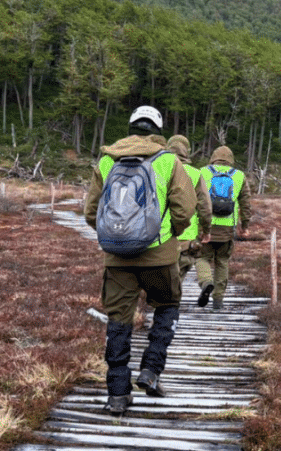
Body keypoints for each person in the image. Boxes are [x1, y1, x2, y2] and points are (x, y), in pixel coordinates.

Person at [83, 105, 196, 414]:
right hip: (160, 257)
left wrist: (115, 237)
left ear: (130, 126)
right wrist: (168, 235)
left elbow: (91, 212)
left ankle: (118, 395)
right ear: (157, 129)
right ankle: (151, 369)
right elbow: (186, 209)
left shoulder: (107, 161)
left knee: (118, 323)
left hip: (117, 260)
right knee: (168, 306)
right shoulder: (168, 161)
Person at [195, 145, 253, 311]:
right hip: (227, 230)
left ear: (213, 157)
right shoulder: (239, 176)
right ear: (231, 159)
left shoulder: (202, 172)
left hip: (206, 227)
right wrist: (245, 225)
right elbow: (246, 203)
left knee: (202, 258)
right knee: (222, 262)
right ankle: (218, 300)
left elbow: (193, 198)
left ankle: (206, 282)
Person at [166, 134, 212, 287]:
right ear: (187, 151)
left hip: (159, 239)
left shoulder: (156, 169)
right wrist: (206, 230)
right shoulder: (195, 174)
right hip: (187, 240)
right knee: (176, 284)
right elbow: (205, 206)